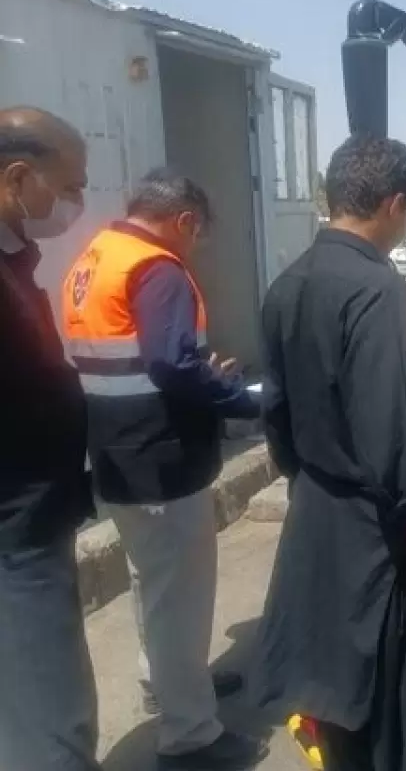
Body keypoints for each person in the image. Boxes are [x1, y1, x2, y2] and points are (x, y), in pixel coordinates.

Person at [252, 135, 406, 771]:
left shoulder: (289, 282)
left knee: (337, 694)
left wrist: (315, 483)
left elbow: (277, 413)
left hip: (319, 511)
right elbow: (396, 438)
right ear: (394, 204)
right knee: (403, 709)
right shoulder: (374, 287)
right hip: (380, 529)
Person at [60, 168, 266, 769]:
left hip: (118, 457)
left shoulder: (97, 256)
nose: (195, 244)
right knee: (180, 596)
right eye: (197, 233)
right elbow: (172, 365)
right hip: (163, 461)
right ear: (183, 221)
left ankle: (169, 688)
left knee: (151, 584)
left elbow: (134, 362)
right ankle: (191, 733)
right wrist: (240, 397)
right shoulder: (158, 268)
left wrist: (206, 374)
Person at [0, 107, 100, 771]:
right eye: (68, 187)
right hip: (16, 523)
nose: (77, 204)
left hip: (37, 510)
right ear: (17, 177)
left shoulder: (14, 257)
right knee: (49, 698)